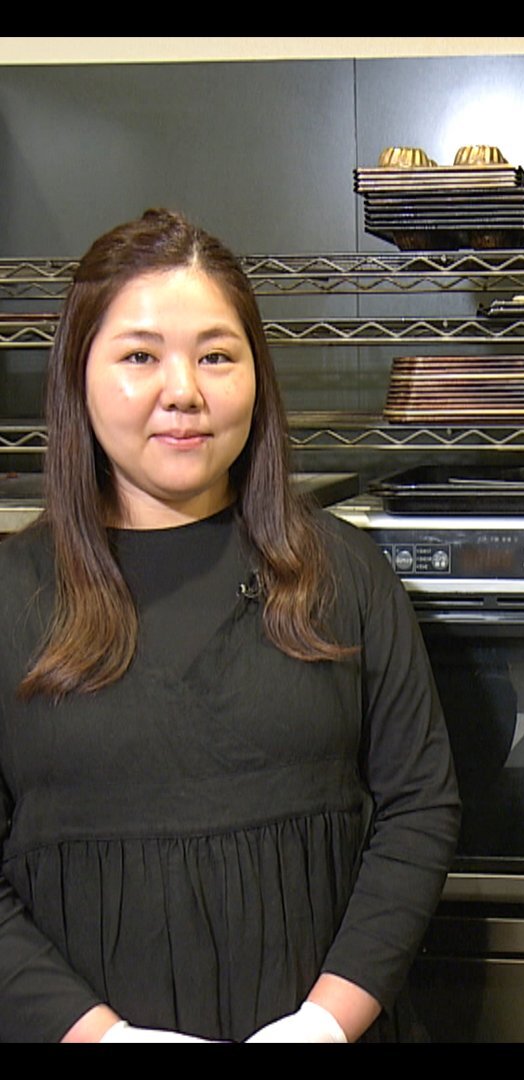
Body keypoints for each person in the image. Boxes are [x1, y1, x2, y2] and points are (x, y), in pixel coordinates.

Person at [0, 209, 460, 1043]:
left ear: (256, 375)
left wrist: (325, 1024)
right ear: (77, 375)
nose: (184, 390)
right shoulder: (12, 596)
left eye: (216, 355)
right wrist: (103, 1037)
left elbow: (420, 809)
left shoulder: (347, 573)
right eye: (140, 356)